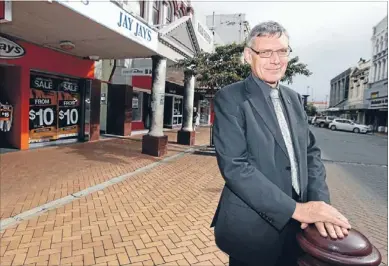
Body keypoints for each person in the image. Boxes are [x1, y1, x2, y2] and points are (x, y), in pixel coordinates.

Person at [210, 21, 351, 266]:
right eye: (266, 52)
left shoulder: (295, 99)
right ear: (248, 55)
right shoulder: (230, 98)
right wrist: (298, 210)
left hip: (298, 230)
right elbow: (236, 168)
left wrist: (318, 204)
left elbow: (311, 153)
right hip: (253, 232)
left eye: (282, 51)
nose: (275, 60)